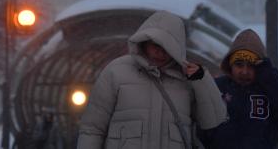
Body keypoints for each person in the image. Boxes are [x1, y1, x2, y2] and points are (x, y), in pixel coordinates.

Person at [77, 10, 227, 149]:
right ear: (144, 41)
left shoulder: (188, 80)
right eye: (155, 45)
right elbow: (92, 128)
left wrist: (202, 80)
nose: (159, 52)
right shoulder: (116, 72)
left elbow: (213, 121)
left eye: (167, 47)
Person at [200, 29, 278, 149]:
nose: (244, 72)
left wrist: (269, 77)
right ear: (230, 65)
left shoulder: (271, 90)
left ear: (261, 68)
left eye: (251, 66)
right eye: (239, 65)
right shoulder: (216, 88)